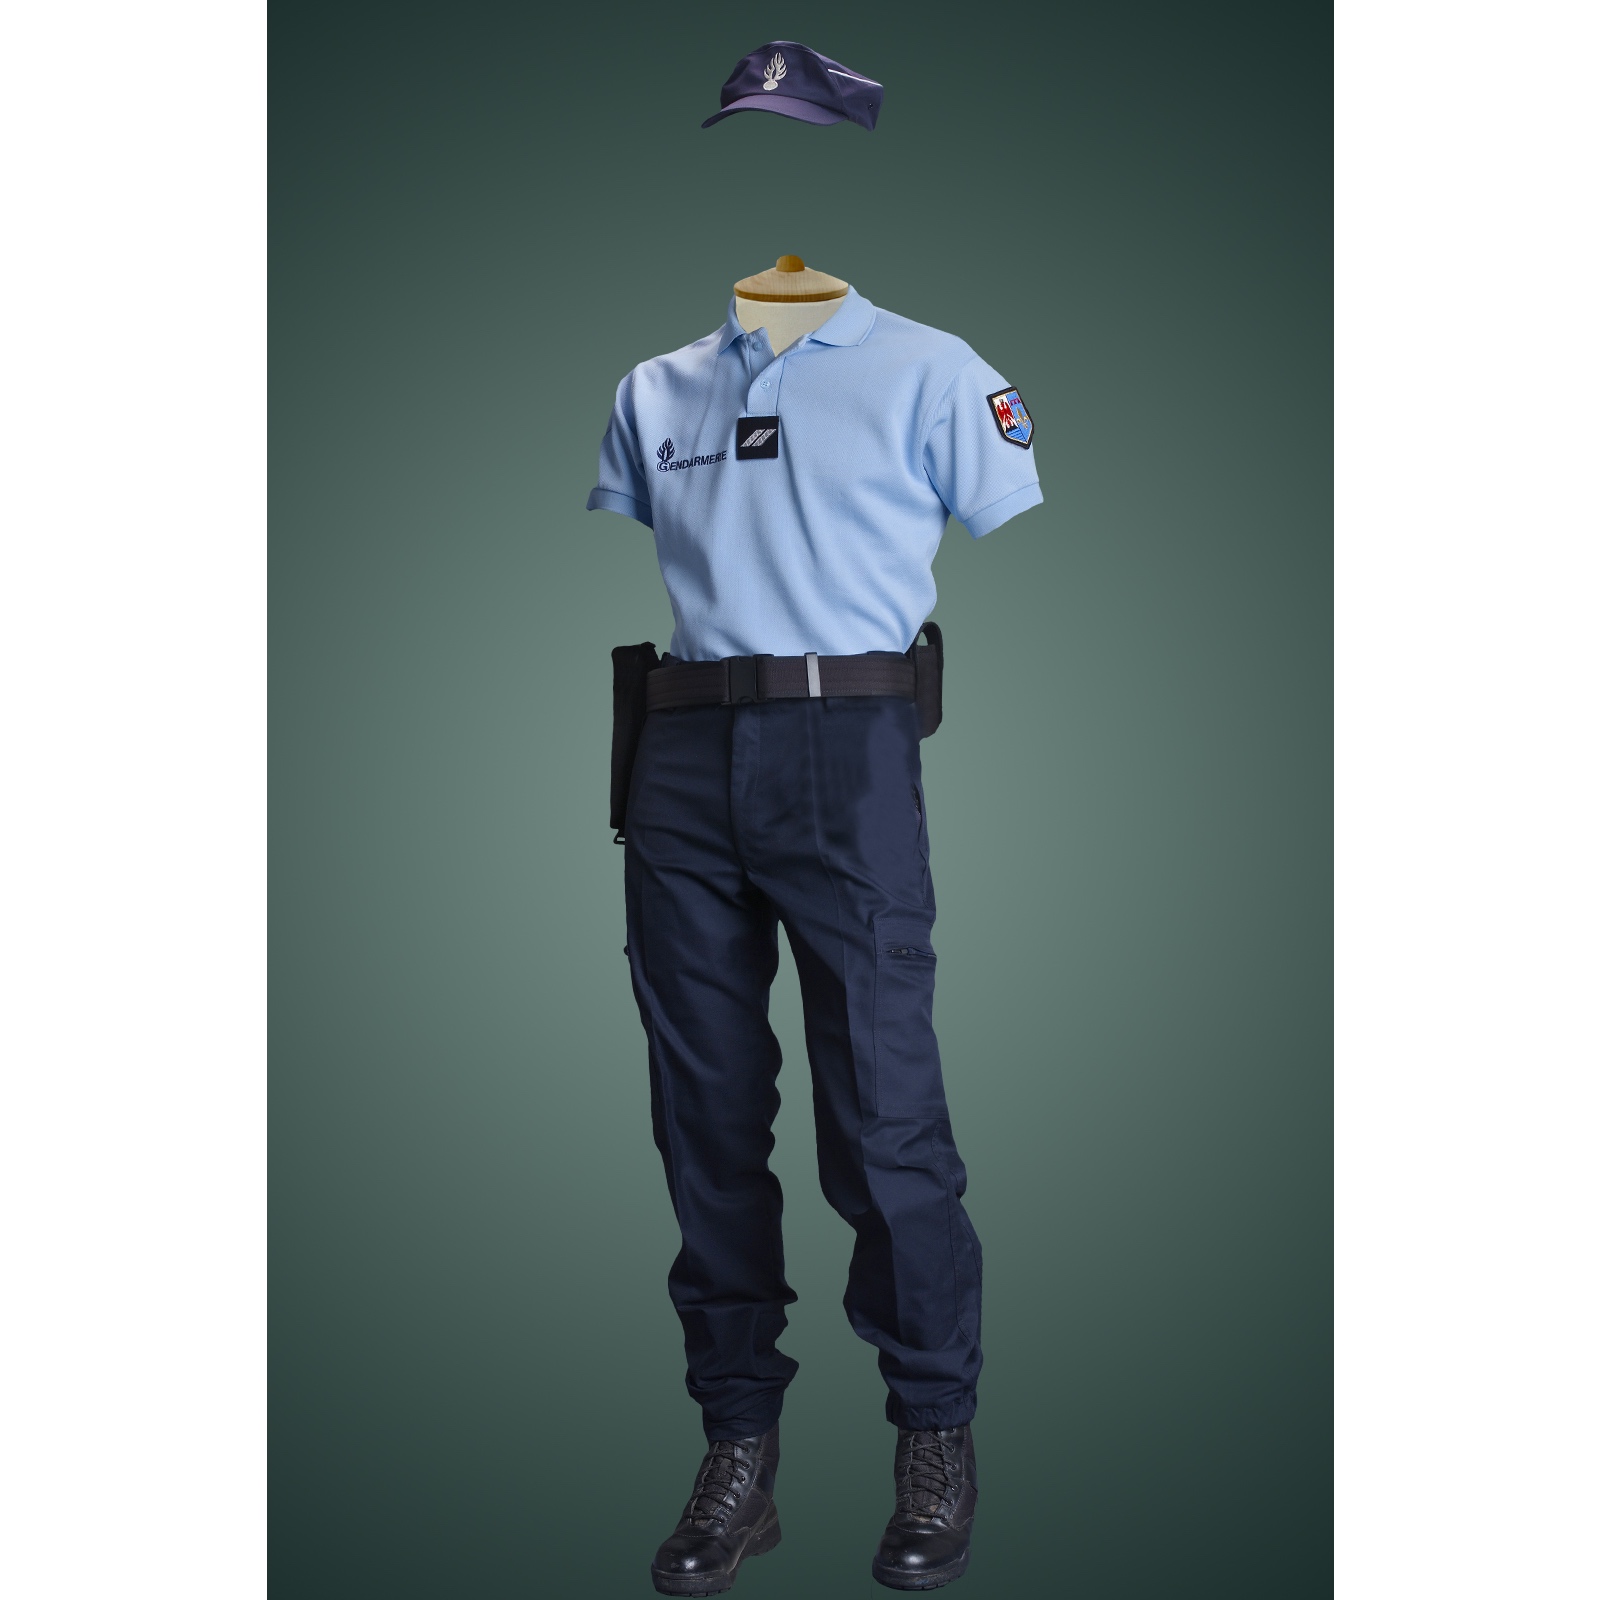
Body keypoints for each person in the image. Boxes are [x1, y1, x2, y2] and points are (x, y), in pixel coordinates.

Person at [587, 254, 1041, 1594]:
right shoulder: (652, 387)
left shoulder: (936, 370)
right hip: (679, 750)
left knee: (884, 1113)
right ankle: (737, 1448)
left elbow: (993, 506)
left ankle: (934, 1432)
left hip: (848, 745)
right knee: (704, 1116)